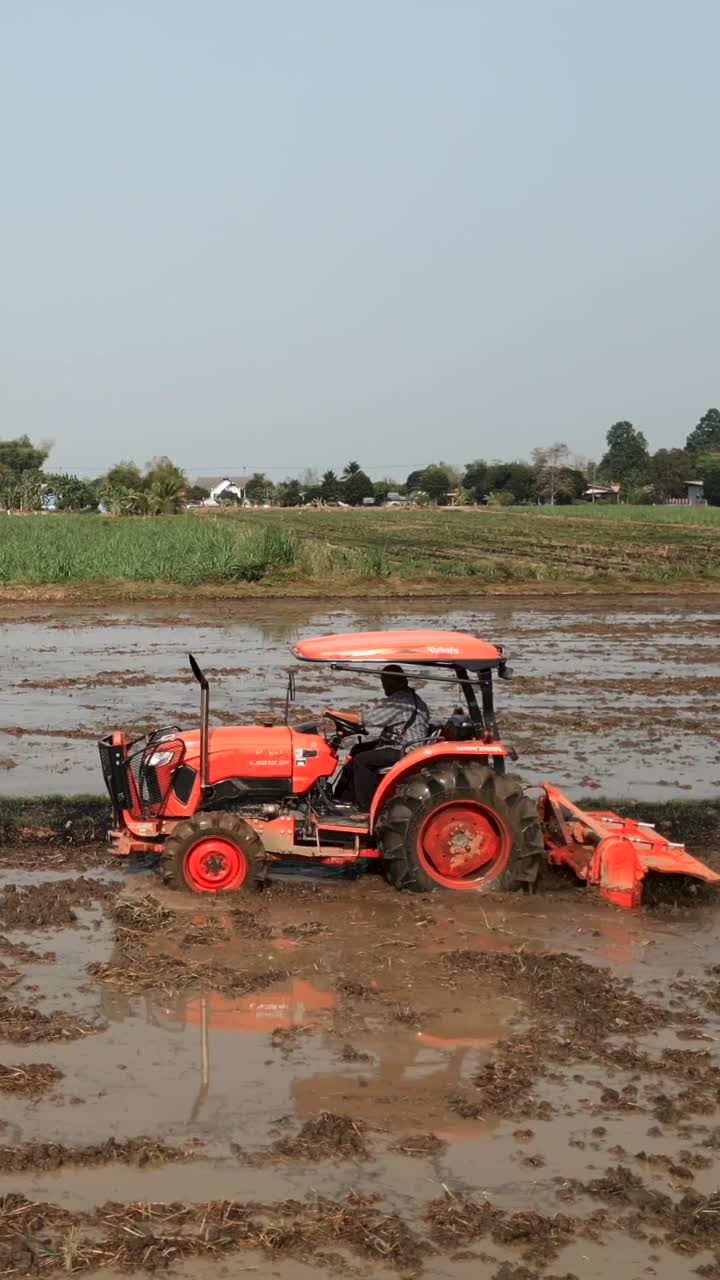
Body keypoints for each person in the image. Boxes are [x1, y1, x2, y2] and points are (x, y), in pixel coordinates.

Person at [353, 664, 430, 810]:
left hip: (406, 750)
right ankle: (345, 799)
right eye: (383, 683)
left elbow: (368, 718)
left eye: (387, 683)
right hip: (401, 744)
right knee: (357, 749)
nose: (384, 687)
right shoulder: (407, 698)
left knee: (362, 760)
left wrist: (332, 713)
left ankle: (366, 809)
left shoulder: (402, 703)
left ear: (400, 682)